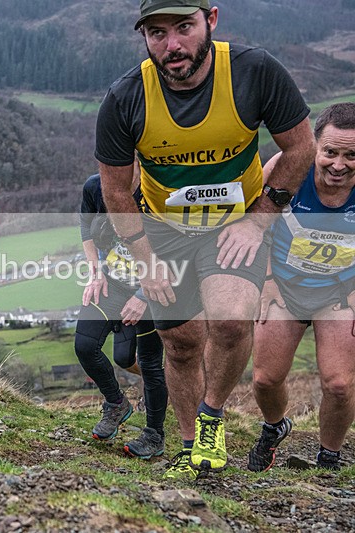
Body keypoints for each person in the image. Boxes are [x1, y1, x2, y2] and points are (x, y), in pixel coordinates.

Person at [95, 0, 315, 478]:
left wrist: (259, 220)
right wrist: (144, 259)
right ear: (143, 36)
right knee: (180, 343)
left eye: (184, 27)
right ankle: (190, 447)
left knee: (230, 322)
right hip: (163, 229)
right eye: (157, 33)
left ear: (211, 20)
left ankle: (211, 417)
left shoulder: (253, 72)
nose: (172, 45)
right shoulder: (126, 96)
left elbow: (301, 147)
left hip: (235, 223)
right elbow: (114, 190)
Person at [248, 103, 355, 472]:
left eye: (351, 155)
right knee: (265, 379)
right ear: (315, 146)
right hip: (283, 287)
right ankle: (274, 427)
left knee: (339, 385)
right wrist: (265, 281)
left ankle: (329, 457)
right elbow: (255, 227)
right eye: (331, 152)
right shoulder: (287, 168)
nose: (339, 165)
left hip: (339, 293)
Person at [76, 166, 168, 459]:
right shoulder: (95, 187)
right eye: (109, 166)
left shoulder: (159, 191)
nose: (116, 173)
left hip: (154, 286)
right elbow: (85, 226)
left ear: (140, 164)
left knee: (147, 363)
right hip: (113, 281)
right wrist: (95, 272)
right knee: (85, 345)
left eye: (126, 166)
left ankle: (154, 435)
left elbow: (176, 247)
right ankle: (116, 403)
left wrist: (143, 296)